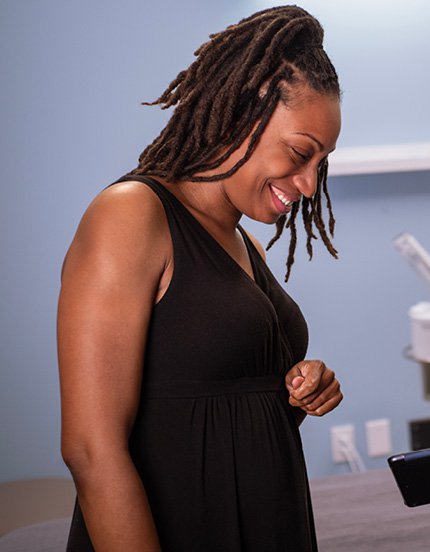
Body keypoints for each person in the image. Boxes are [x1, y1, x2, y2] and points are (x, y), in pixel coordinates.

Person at [57, 6, 343, 551]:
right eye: (300, 153)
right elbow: (91, 450)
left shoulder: (242, 242)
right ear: (242, 112)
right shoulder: (132, 215)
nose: (309, 184)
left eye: (321, 163)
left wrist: (299, 390)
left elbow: (216, 407)